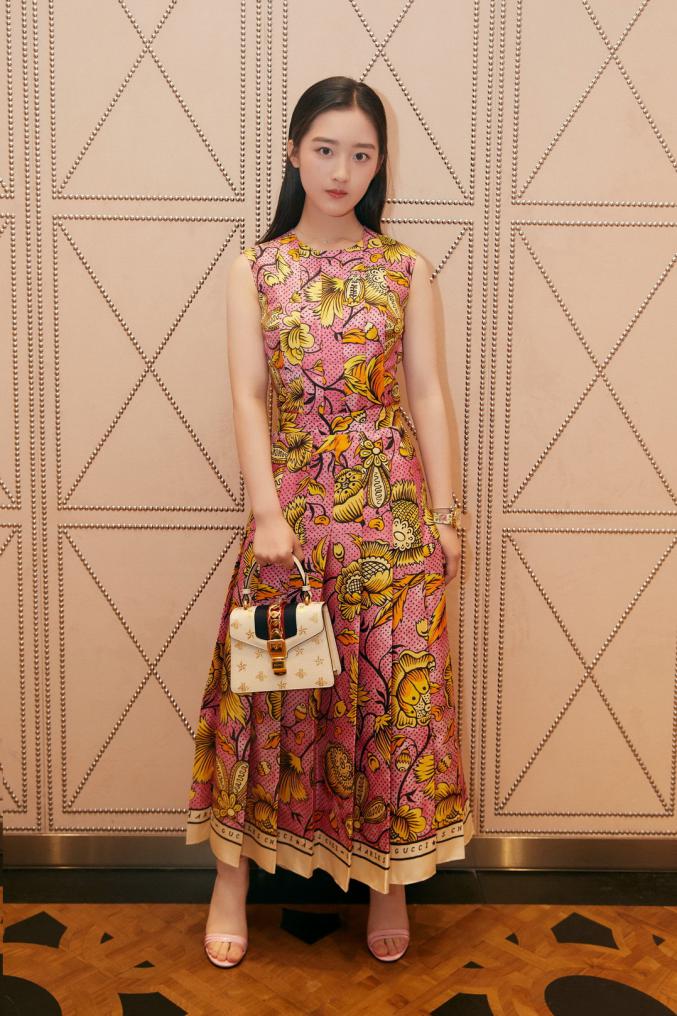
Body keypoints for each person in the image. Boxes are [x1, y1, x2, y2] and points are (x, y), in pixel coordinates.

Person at [185, 75, 475, 969]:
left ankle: (390, 881)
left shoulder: (404, 269)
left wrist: (446, 515)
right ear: (293, 153)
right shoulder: (255, 269)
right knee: (266, 700)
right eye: (324, 150)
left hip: (392, 517)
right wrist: (265, 513)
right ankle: (229, 881)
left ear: (379, 164)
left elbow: (428, 394)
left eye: (360, 154)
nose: (341, 170)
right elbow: (249, 393)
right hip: (293, 517)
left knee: (394, 703)